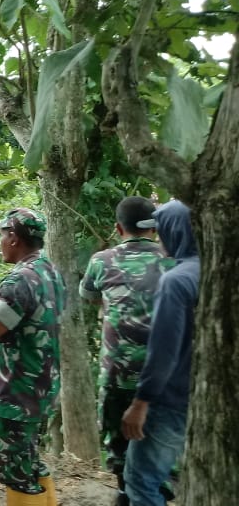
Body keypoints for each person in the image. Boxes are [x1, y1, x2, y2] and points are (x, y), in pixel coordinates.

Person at [79, 197, 171, 505]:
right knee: (159, 445)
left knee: (118, 441)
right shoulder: (173, 260)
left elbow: (90, 297)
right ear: (155, 228)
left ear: (118, 228)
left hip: (118, 373)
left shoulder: (101, 261)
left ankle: (124, 490)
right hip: (164, 375)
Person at [0, 208, 64, 506]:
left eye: (2, 234)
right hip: (40, 386)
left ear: (13, 238)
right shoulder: (49, 270)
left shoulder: (21, 280)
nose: (0, 241)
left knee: (17, 472)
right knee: (30, 460)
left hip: (16, 393)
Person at [121, 200, 197, 506]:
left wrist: (141, 403)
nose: (158, 238)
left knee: (141, 481)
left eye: (161, 230)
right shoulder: (220, 270)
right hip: (206, 399)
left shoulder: (177, 281)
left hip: (172, 398)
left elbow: (164, 349)